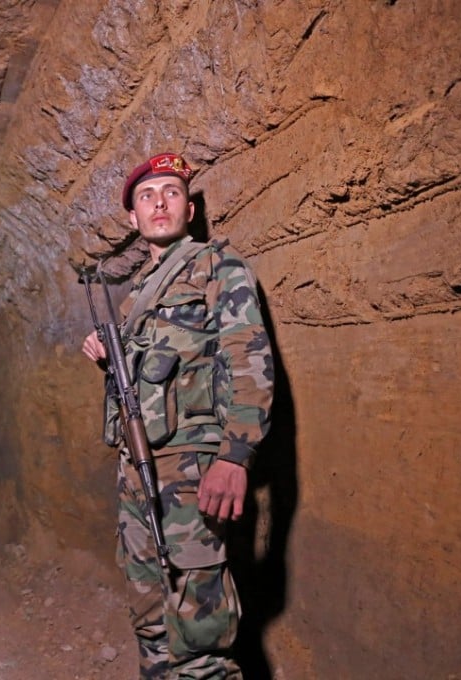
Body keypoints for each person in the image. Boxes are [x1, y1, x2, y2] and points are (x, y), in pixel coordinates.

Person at [81, 152, 274, 679]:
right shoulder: (136, 296)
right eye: (147, 196)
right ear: (133, 217)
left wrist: (235, 456)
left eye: (171, 192)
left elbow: (249, 359)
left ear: (189, 209)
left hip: (191, 471)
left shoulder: (218, 267)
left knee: (198, 630)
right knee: (149, 613)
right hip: (137, 469)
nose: (159, 203)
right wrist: (109, 355)